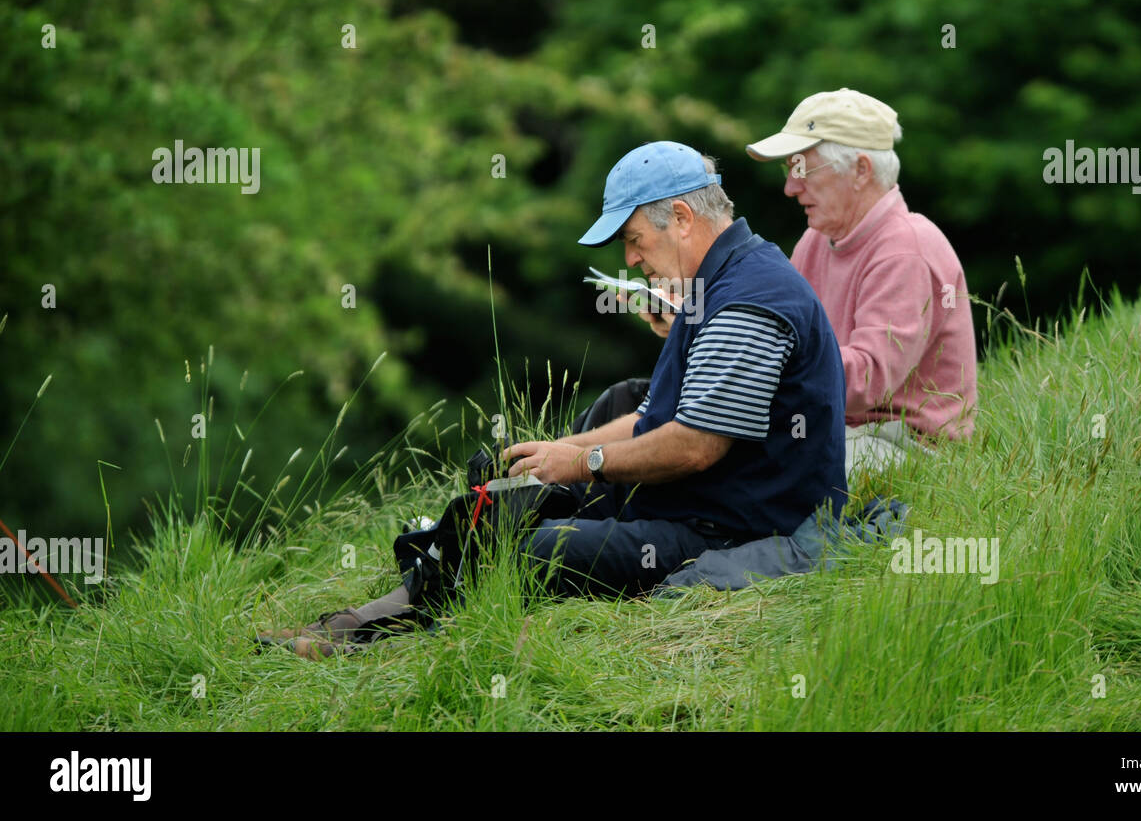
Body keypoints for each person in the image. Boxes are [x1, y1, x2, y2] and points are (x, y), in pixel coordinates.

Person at [258, 140, 849, 657]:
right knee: (503, 492)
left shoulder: (748, 301)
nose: (630, 259)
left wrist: (584, 463)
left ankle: (379, 639)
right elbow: (652, 419)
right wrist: (557, 453)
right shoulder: (711, 285)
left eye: (634, 239)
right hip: (689, 503)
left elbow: (694, 446)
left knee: (528, 552)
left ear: (682, 217)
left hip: (732, 529)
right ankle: (372, 619)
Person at [632, 90, 978, 476]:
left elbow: (866, 384)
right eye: (787, 172)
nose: (790, 188)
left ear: (861, 170)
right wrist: (695, 319)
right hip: (834, 427)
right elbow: (785, 326)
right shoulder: (818, 239)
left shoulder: (905, 250)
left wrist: (756, 351)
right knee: (665, 420)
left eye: (802, 171)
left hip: (902, 444)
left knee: (727, 466)